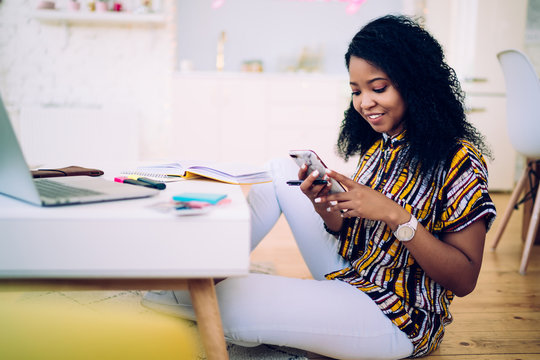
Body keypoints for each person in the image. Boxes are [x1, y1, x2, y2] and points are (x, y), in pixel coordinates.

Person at [142, 15, 497, 359]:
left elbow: (464, 279)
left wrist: (394, 215)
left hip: (398, 318)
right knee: (279, 170)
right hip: (355, 273)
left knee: (232, 303)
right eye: (356, 91)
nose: (365, 103)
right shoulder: (385, 142)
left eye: (378, 88)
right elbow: (354, 236)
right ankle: (210, 265)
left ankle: (172, 294)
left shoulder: (459, 159)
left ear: (415, 84)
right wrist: (325, 207)